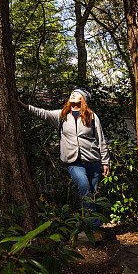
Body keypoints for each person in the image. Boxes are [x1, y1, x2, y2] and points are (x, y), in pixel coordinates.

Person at [18, 88, 110, 235]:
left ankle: (91, 224)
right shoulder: (62, 115)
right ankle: (92, 227)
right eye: (72, 92)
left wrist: (105, 161)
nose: (73, 94)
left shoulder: (91, 116)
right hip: (73, 161)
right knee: (84, 187)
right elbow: (43, 113)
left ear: (83, 99)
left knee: (92, 193)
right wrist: (24, 106)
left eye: (77, 93)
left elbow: (101, 139)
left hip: (92, 159)